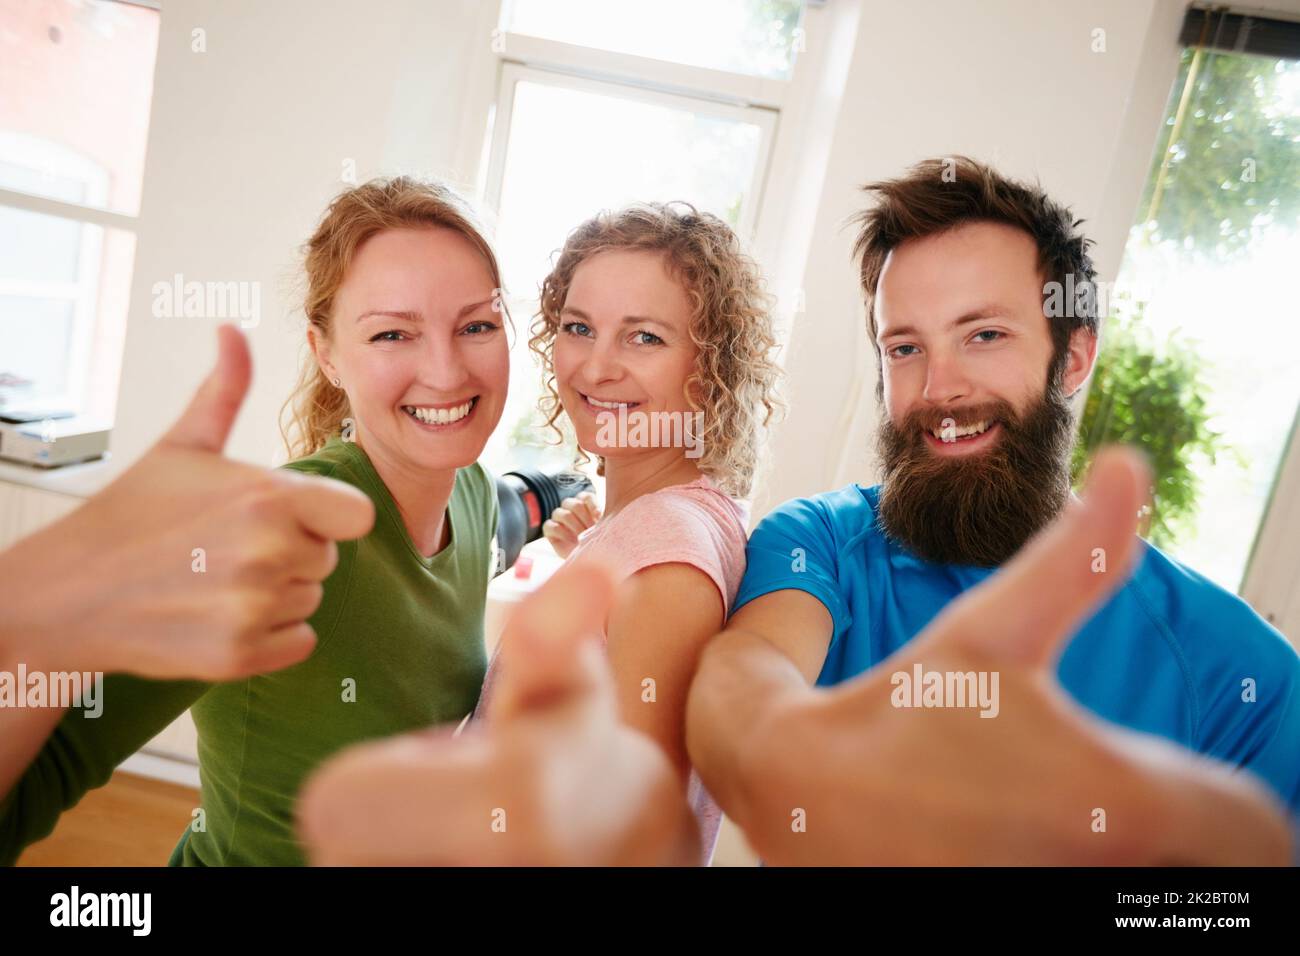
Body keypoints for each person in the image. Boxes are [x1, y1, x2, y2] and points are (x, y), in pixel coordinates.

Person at [296, 158, 1296, 866]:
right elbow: (737, 691)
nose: (940, 383)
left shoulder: (1239, 669)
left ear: (1071, 352)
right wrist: (790, 757)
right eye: (904, 346)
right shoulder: (815, 543)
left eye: (983, 334)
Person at [1, 177, 509, 865]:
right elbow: (43, 766)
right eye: (393, 333)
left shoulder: (474, 494)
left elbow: (515, 508)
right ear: (327, 354)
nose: (447, 372)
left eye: (476, 325)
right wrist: (48, 590)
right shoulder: (284, 531)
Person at [475, 203, 781, 864]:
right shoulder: (668, 519)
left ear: (713, 365)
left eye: (644, 337)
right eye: (579, 327)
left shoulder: (664, 550)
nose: (595, 367)